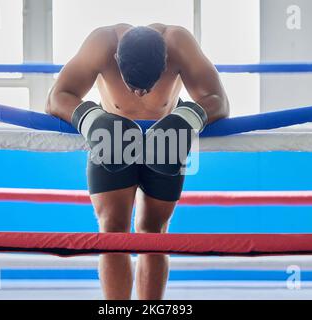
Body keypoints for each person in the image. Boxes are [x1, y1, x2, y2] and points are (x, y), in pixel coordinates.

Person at [46, 23, 229, 300]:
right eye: (133, 86)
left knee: (153, 233)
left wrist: (186, 119)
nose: (140, 95)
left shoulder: (178, 43)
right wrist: (93, 120)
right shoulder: (102, 43)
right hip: (112, 139)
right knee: (112, 230)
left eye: (148, 86)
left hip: (167, 139)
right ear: (117, 60)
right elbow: (56, 97)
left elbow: (218, 99)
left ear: (166, 61)